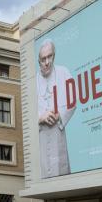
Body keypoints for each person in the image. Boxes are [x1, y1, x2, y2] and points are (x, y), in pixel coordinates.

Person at [37, 39, 76, 178]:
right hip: (41, 136)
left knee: (61, 174)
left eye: (50, 57)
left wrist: (59, 115)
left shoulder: (63, 72)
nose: (47, 62)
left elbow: (72, 101)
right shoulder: (33, 81)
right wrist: (40, 117)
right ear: (38, 61)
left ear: (54, 56)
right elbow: (28, 114)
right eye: (43, 59)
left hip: (57, 134)